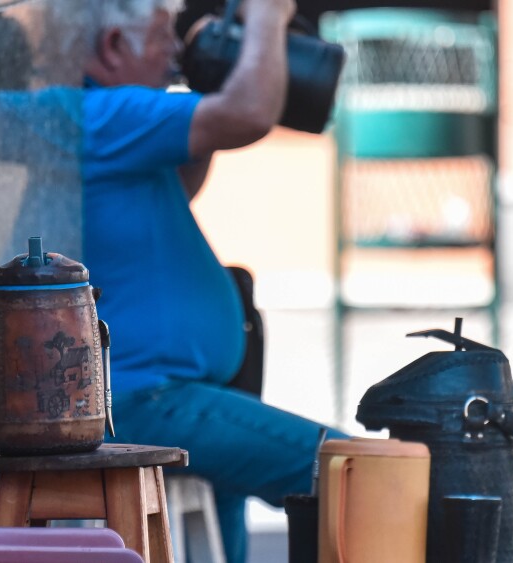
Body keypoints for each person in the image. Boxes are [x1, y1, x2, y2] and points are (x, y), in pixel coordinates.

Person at [79, 1, 346, 561]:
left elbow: (186, 173)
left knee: (226, 539)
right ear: (112, 49)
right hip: (146, 398)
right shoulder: (107, 113)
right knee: (356, 474)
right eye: (160, 39)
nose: (176, 52)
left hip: (174, 393)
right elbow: (248, 114)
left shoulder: (114, 126)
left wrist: (207, 86)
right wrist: (267, 19)